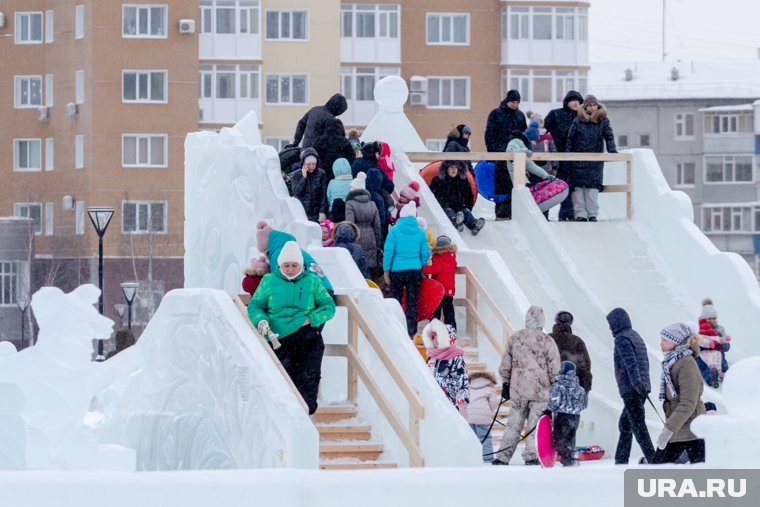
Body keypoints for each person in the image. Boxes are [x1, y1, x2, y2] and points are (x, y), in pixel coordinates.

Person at [248, 241, 336, 415]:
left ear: (301, 265)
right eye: (286, 265)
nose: (290, 269)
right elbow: (255, 305)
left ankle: (306, 415)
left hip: (307, 336)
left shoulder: (312, 281)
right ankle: (285, 416)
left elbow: (328, 306)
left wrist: (312, 319)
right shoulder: (269, 281)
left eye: (294, 265)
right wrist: (261, 320)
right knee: (283, 379)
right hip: (278, 338)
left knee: (309, 377)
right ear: (280, 265)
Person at [493, 305, 560, 466]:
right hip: (540, 390)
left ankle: (502, 457)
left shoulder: (515, 338)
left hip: (518, 389)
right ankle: (531, 455)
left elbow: (505, 364)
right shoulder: (547, 341)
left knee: (513, 424)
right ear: (542, 321)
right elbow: (554, 367)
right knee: (535, 424)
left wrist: (506, 383)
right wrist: (554, 384)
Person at [606, 307, 656, 464]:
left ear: (617, 323)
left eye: (611, 324)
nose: (610, 328)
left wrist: (636, 383)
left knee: (638, 426)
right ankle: (621, 460)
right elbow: (644, 363)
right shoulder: (635, 336)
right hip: (641, 387)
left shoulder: (621, 338)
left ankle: (653, 460)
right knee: (625, 425)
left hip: (631, 388)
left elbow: (630, 363)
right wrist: (643, 384)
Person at [651, 323, 706, 464]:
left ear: (675, 341)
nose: (661, 343)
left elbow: (688, 403)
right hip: (681, 429)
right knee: (656, 469)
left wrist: (668, 429)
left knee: (656, 470)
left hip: (691, 430)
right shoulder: (673, 362)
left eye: (665, 339)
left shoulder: (686, 364)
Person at [566, 94, 617, 222]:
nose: (592, 107)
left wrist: (612, 150)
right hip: (579, 160)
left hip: (595, 160)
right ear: (586, 106)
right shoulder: (578, 120)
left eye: (594, 105)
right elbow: (570, 139)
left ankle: (592, 214)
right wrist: (568, 154)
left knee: (592, 189)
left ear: (597, 105)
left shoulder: (603, 120)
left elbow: (609, 136)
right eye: (590, 105)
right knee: (579, 189)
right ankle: (581, 214)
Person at [383, 201, 431, 337]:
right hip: (414, 271)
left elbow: (388, 251)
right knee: (412, 302)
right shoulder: (421, 232)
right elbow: (425, 253)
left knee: (395, 301)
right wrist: (421, 265)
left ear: (401, 216)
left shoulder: (394, 231)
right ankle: (411, 331)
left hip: (397, 271)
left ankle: (395, 329)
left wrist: (387, 269)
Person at [256, 220, 334, 295]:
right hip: (324, 288)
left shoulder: (278, 253)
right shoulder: (292, 248)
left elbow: (277, 279)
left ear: (267, 248)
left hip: (312, 291)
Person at [485, 89, 528, 220]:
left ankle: (515, 215)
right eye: (513, 102)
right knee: (502, 186)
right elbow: (489, 134)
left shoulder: (520, 115)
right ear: (507, 101)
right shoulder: (496, 114)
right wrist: (493, 153)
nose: (515, 105)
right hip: (501, 156)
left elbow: (524, 134)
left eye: (517, 102)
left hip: (517, 157)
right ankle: (501, 214)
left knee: (516, 186)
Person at [544, 90, 584, 221]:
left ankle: (568, 213)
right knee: (557, 185)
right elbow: (542, 131)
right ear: (567, 102)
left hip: (577, 157)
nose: (576, 103)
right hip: (557, 158)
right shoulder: (556, 114)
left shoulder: (582, 117)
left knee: (574, 186)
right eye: (573, 100)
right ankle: (547, 214)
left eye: (578, 101)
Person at [547, 361, 588, 467]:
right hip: (576, 418)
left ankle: (570, 456)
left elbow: (553, 403)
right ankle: (569, 463)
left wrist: (549, 411)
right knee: (570, 440)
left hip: (562, 417)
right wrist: (574, 409)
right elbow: (584, 405)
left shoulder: (558, 386)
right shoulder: (580, 388)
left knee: (558, 441)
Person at [422, 319, 469, 410]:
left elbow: (462, 383)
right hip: (431, 402)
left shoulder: (455, 358)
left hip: (449, 405)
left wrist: (462, 406)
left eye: (436, 337)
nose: (434, 340)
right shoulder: (432, 357)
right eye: (432, 337)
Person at [429, 160, 485, 235]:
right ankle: (456, 222)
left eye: (456, 167)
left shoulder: (462, 180)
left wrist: (469, 207)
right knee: (449, 212)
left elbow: (469, 195)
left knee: (465, 212)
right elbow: (431, 195)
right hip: (444, 206)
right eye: (452, 167)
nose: (454, 170)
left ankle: (474, 225)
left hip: (459, 206)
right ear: (446, 168)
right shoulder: (438, 180)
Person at [345, 173, 382, 276]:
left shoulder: (350, 204)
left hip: (357, 237)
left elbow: (350, 224)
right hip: (371, 237)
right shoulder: (372, 204)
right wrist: (377, 244)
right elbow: (377, 226)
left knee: (356, 267)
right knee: (368, 267)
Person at [549, 311, 592, 393]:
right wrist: (585, 389)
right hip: (571, 390)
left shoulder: (548, 339)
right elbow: (585, 366)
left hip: (549, 388)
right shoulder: (577, 341)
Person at [422, 235, 458, 330]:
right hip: (449, 289)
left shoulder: (438, 256)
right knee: (449, 310)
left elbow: (436, 269)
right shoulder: (452, 257)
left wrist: (423, 269)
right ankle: (451, 328)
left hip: (439, 289)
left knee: (436, 309)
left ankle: (434, 328)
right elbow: (454, 266)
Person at [464, 371, 499, 462]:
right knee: (485, 436)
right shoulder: (489, 388)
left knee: (471, 436)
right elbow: (494, 403)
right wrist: (488, 410)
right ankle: (487, 456)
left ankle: (471, 456)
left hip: (468, 415)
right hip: (482, 417)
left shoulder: (468, 387)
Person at [696, 298, 731, 388]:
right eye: (709, 319)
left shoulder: (720, 329)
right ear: (704, 318)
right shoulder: (699, 328)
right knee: (704, 363)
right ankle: (711, 378)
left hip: (717, 351)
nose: (712, 321)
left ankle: (727, 376)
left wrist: (724, 344)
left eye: (714, 318)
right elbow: (695, 341)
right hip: (703, 352)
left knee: (721, 361)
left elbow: (725, 343)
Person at [289, 148, 328, 223]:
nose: (311, 166)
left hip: (316, 213)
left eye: (314, 164)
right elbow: (297, 192)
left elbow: (323, 195)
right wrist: (304, 177)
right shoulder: (297, 175)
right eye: (309, 164)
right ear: (304, 163)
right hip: (302, 212)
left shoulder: (321, 174)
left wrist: (322, 211)